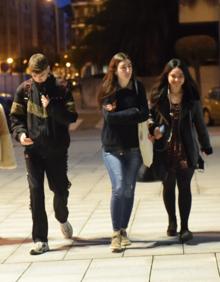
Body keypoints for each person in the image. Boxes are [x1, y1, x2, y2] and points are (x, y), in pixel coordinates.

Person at [10, 53, 78, 255]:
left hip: (57, 150)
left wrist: (53, 107)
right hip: (33, 152)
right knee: (35, 192)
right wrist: (20, 135)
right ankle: (40, 240)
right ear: (31, 73)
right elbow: (15, 118)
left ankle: (62, 217)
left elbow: (71, 116)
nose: (39, 78)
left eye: (42, 74)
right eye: (35, 75)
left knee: (59, 191)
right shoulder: (23, 90)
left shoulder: (62, 89)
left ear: (49, 69)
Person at [148, 58, 213, 242]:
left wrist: (205, 145)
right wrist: (153, 129)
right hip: (164, 149)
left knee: (184, 188)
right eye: (173, 76)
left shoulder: (191, 97)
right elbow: (149, 118)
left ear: (185, 78)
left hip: (186, 149)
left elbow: (200, 124)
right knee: (168, 187)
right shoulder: (158, 96)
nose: (176, 79)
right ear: (167, 77)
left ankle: (185, 227)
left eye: (180, 76)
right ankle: (172, 222)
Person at [97, 52, 149, 252]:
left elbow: (144, 113)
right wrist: (133, 113)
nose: (127, 70)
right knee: (118, 188)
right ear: (115, 70)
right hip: (111, 147)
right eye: (123, 67)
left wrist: (123, 114)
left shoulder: (138, 87)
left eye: (129, 66)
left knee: (129, 190)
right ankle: (115, 232)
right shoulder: (108, 89)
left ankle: (124, 230)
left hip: (133, 147)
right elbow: (109, 119)